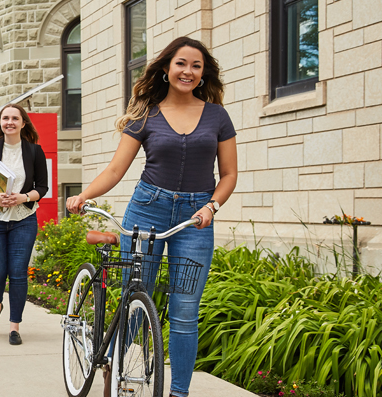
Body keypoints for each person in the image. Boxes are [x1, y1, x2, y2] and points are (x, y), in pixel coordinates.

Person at [66, 37, 237, 397]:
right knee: (133, 300)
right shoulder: (146, 114)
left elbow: (230, 175)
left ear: (203, 74)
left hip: (196, 219)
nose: (188, 71)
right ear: (166, 68)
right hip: (147, 209)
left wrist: (211, 207)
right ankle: (113, 372)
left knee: (186, 311)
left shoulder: (217, 116)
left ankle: (179, 393)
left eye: (196, 66)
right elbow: (115, 169)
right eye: (181, 64)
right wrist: (84, 195)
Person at [0, 104, 47, 346]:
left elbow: (42, 187)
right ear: (0, 123)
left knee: (18, 274)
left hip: (23, 219)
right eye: (5, 118)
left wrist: (23, 197)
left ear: (23, 123)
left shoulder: (34, 151)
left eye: (15, 118)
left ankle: (14, 326)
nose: (10, 122)